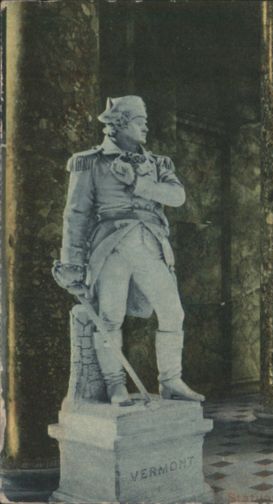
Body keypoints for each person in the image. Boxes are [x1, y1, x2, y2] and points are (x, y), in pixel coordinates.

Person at [54, 96, 204, 404]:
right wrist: (72, 264)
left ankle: (171, 379)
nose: (146, 126)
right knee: (109, 317)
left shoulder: (157, 163)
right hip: (110, 247)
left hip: (150, 243)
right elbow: (76, 215)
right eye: (139, 120)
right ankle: (115, 385)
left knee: (173, 313)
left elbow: (177, 197)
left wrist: (138, 183)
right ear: (120, 124)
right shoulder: (90, 162)